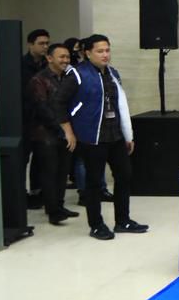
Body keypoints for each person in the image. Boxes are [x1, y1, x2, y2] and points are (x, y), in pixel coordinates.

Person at [54, 34, 148, 240]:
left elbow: (120, 104)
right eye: (100, 51)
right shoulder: (77, 74)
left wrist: (127, 134)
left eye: (107, 50)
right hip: (91, 137)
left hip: (115, 135)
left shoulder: (113, 73)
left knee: (124, 175)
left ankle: (123, 220)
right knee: (94, 182)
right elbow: (59, 103)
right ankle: (96, 224)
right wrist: (68, 131)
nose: (105, 55)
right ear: (88, 53)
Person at [25, 42, 79, 225]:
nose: (66, 60)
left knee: (63, 171)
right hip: (44, 135)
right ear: (49, 58)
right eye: (61, 57)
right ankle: (53, 210)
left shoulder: (68, 78)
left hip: (66, 133)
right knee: (49, 173)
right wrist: (63, 129)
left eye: (67, 57)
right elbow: (42, 108)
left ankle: (59, 205)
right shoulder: (38, 80)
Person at [21, 28, 52, 205]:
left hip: (43, 119)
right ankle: (20, 194)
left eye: (47, 43)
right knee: (23, 158)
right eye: (41, 43)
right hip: (25, 118)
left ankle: (37, 192)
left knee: (41, 159)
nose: (45, 47)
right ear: (30, 44)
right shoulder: (20, 64)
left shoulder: (47, 65)